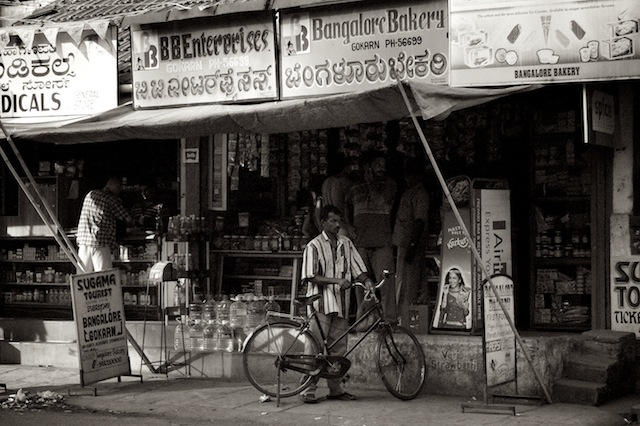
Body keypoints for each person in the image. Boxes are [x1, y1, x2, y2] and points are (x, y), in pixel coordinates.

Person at [299, 204, 374, 404]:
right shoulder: (314, 246)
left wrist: (367, 281)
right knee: (315, 348)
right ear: (323, 222)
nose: (336, 225)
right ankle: (308, 389)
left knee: (339, 348)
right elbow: (310, 276)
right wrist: (336, 281)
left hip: (341, 304)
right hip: (320, 304)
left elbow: (358, 268)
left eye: (338, 221)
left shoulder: (346, 243)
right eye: (332, 221)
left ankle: (335, 388)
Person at [346, 152, 397, 323]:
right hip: (361, 242)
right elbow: (346, 207)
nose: (381, 168)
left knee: (386, 283)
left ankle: (389, 320)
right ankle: (364, 320)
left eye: (383, 164)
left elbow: (381, 201)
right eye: (377, 164)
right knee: (361, 285)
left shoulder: (389, 184)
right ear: (367, 167)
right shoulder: (355, 186)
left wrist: (370, 183)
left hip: (382, 241)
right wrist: (348, 225)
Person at [76, 177, 133, 273]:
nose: (119, 191)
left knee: (82, 276)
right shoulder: (110, 198)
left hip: (83, 241)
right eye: (119, 188)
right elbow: (127, 218)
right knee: (103, 276)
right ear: (115, 187)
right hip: (100, 242)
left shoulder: (90, 194)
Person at [393, 159, 429, 307]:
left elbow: (420, 221)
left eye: (410, 175)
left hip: (411, 243)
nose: (407, 179)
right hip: (403, 242)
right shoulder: (408, 192)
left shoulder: (420, 194)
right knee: (404, 278)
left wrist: (413, 245)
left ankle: (405, 311)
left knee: (409, 281)